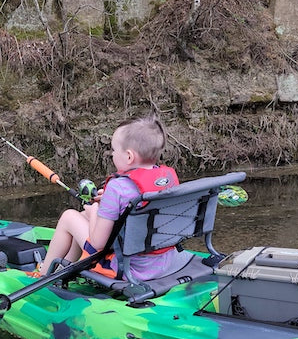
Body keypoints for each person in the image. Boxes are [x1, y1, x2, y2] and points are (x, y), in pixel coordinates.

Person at [37, 113, 187, 281]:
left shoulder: (117, 188)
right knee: (81, 216)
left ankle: (43, 275)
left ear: (129, 156)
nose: (112, 154)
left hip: (128, 267)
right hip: (165, 261)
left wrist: (95, 209)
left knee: (69, 217)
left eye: (114, 150)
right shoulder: (167, 179)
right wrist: (106, 203)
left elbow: (97, 243)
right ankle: (64, 268)